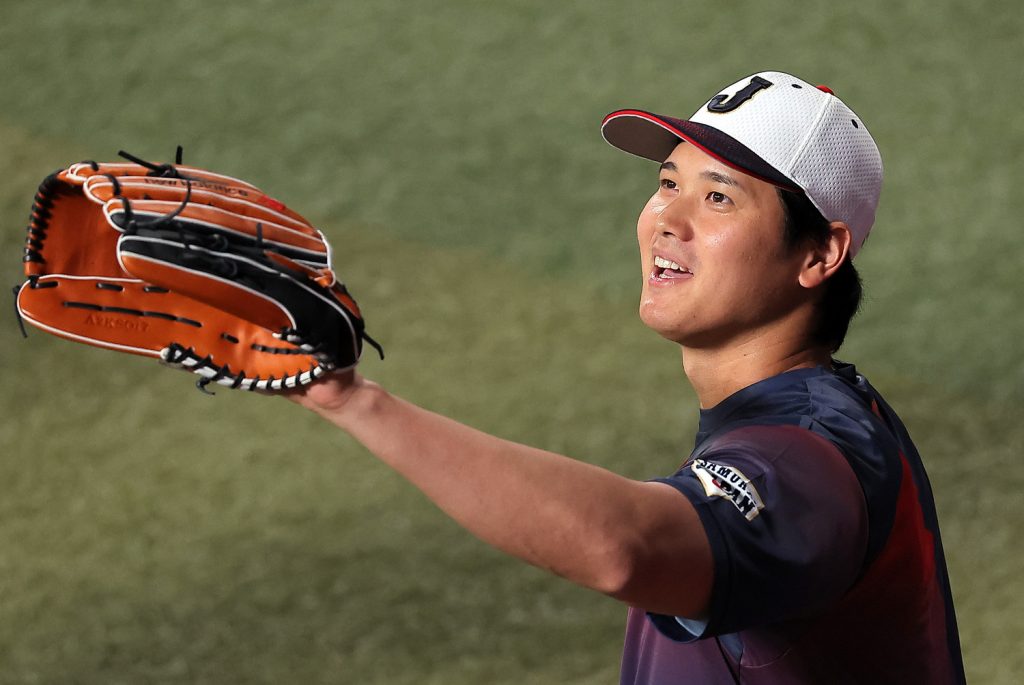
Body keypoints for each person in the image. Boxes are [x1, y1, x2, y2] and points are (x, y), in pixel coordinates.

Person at [284, 71, 965, 683]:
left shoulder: (808, 458)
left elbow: (625, 549)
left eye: (719, 198)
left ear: (819, 254)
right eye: (668, 183)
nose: (667, 218)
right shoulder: (811, 419)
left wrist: (355, 401)